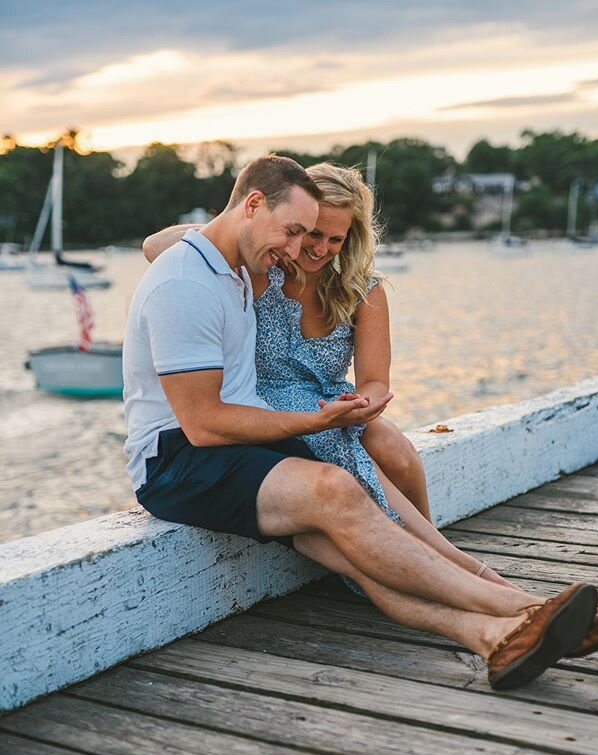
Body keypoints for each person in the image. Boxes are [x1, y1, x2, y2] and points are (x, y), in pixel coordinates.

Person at [125, 154, 598, 692]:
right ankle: (526, 608)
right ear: (250, 206)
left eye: (312, 236)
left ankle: (493, 638)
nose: (298, 250)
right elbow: (203, 425)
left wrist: (336, 412)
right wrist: (312, 419)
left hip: (239, 443)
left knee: (356, 546)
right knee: (338, 489)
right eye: (294, 232)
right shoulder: (189, 281)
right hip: (179, 458)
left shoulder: (248, 269)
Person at [145, 162, 509, 587]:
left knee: (392, 445)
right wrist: (242, 223)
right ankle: (436, 569)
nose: (319, 249)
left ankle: (428, 553)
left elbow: (375, 381)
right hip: (268, 403)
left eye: (336, 239)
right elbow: (156, 245)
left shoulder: (362, 290)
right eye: (312, 233)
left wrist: (365, 402)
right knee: (334, 438)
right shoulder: (262, 267)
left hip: (334, 401)